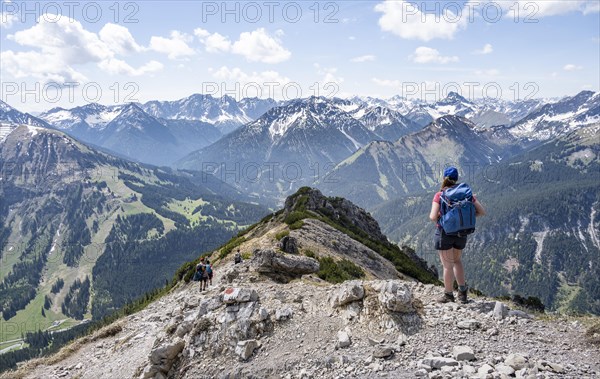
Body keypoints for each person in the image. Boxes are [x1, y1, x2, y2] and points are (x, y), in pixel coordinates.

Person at [429, 167, 485, 304]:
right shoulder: (466, 194)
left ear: (444, 178)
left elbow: (432, 216)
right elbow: (482, 211)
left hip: (445, 233)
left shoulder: (440, 195)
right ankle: (462, 293)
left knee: (447, 266)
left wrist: (443, 221)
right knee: (457, 261)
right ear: (456, 179)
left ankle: (448, 295)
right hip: (462, 233)